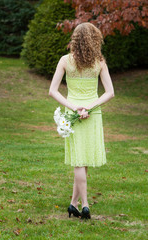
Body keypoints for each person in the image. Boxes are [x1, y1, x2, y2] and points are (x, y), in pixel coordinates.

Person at [49, 22, 115, 219]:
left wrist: (74, 107)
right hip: (91, 114)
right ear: (95, 39)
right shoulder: (99, 62)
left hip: (74, 115)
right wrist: (90, 107)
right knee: (81, 161)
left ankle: (74, 203)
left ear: (75, 39)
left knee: (80, 160)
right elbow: (110, 93)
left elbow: (52, 91)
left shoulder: (64, 60)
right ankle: (84, 205)